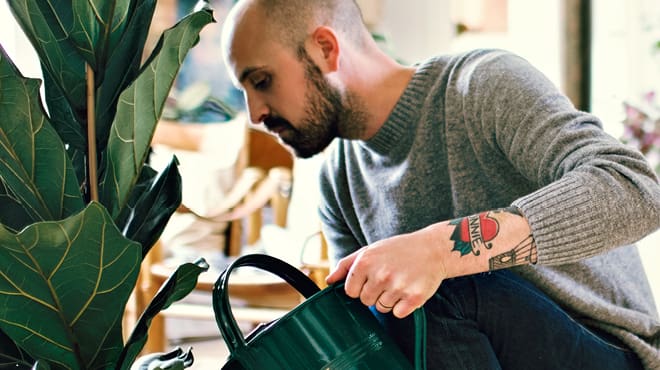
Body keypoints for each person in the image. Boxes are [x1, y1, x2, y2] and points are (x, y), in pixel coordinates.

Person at [220, 0, 660, 368]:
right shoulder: (338, 178)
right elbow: (377, 340)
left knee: (434, 294)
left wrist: (437, 251)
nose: (255, 113)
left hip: (610, 350)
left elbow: (637, 189)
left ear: (325, 48)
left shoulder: (482, 85)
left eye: (262, 81)